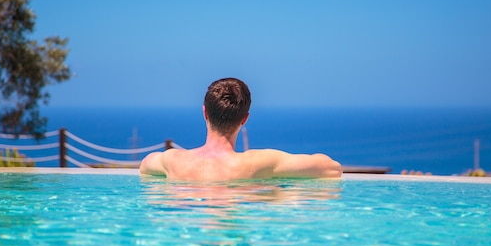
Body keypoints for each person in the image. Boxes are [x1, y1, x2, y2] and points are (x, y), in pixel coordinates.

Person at [139, 77, 342, 181]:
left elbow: (145, 166)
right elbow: (332, 168)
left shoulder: (173, 160)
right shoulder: (260, 163)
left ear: (204, 113)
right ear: (245, 119)